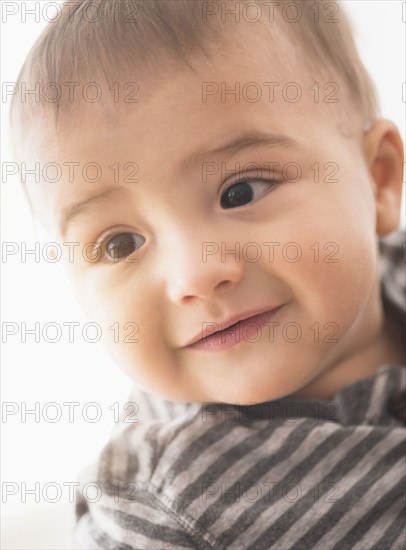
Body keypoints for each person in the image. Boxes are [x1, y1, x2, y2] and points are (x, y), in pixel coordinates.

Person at [10, 1, 405, 547]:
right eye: (121, 243)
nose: (193, 275)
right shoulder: (159, 508)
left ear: (378, 180)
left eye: (239, 191)